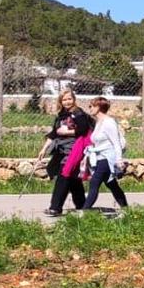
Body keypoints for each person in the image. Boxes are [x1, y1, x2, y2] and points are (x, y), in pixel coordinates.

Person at [40, 88, 94, 217]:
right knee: (73, 179)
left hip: (75, 150)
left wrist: (67, 132)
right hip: (62, 150)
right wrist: (44, 149)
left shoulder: (78, 113)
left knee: (63, 176)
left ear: (74, 99)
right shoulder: (61, 115)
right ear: (61, 101)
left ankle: (55, 207)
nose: (67, 102)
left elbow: (83, 130)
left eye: (69, 99)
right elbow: (54, 133)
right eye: (64, 99)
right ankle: (82, 205)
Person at [83, 96, 129, 211]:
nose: (90, 108)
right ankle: (126, 210)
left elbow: (116, 142)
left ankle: (84, 212)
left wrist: (119, 160)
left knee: (94, 183)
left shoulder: (109, 122)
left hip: (107, 158)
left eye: (91, 106)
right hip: (99, 158)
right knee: (112, 184)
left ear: (99, 107)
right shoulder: (99, 122)